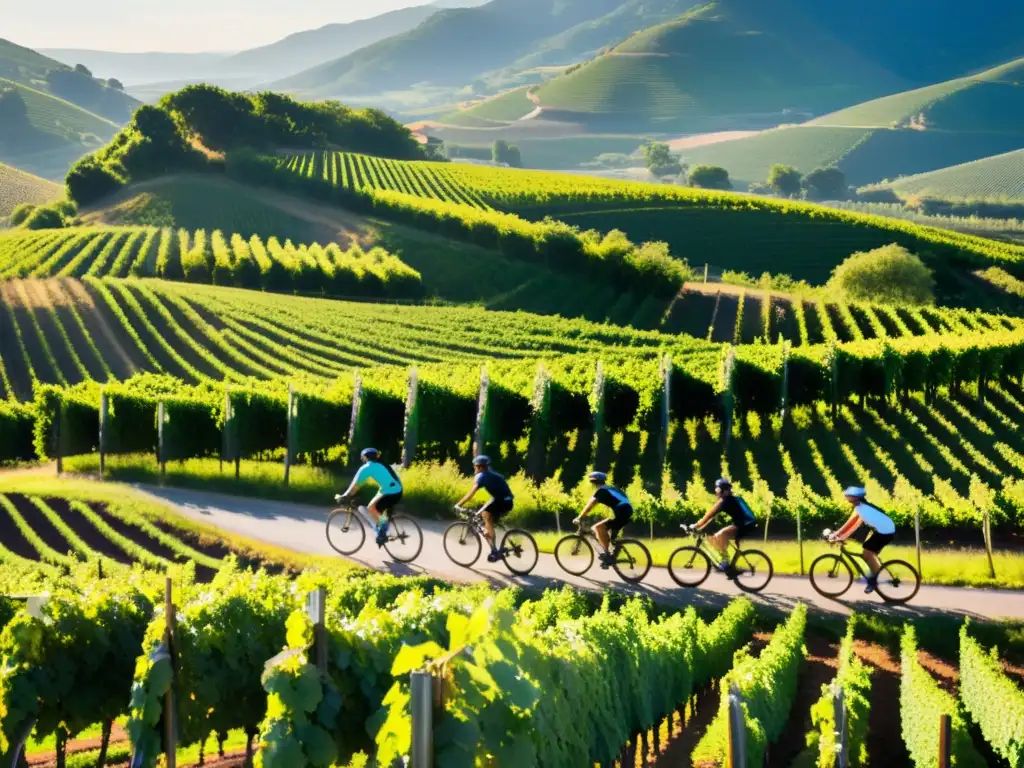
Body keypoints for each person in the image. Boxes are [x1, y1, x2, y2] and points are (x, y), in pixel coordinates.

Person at [829, 486, 896, 593]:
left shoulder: (861, 509)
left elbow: (851, 524)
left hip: (885, 532)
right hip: (883, 529)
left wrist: (838, 536)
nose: (846, 497)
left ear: (854, 498)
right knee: (867, 553)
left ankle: (873, 582)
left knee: (868, 551)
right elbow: (852, 524)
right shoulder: (861, 506)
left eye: (848, 496)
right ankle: (875, 573)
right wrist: (840, 536)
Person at [335, 447, 403, 546]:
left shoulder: (367, 467)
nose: (363, 460)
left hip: (390, 491)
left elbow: (355, 485)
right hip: (396, 489)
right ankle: (383, 526)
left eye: (363, 458)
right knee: (376, 507)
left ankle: (383, 531)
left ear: (366, 458)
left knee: (371, 508)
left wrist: (345, 496)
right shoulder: (383, 463)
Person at [455, 456, 514, 563]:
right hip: (506, 501)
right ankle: (494, 547)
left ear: (480, 467)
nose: (474, 469)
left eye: (475, 467)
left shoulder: (481, 476)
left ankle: (494, 551)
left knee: (485, 515)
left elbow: (471, 494)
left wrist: (459, 504)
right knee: (482, 512)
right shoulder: (492, 474)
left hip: (502, 502)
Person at [692, 478, 757, 574]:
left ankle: (726, 563)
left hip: (746, 524)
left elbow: (710, 515)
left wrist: (697, 525)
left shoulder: (726, 500)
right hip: (741, 524)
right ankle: (726, 562)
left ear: (725, 491)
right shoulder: (726, 499)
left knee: (722, 534)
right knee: (713, 537)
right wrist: (699, 525)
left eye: (719, 490)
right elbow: (710, 516)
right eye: (717, 490)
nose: (717, 493)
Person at [573, 471, 633, 569]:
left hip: (622, 512)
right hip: (626, 511)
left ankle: (606, 555)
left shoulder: (602, 491)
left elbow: (591, 504)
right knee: (609, 534)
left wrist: (580, 517)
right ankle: (611, 553)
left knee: (598, 527)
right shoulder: (610, 488)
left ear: (593, 482)